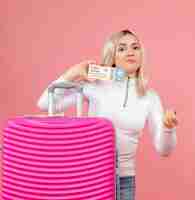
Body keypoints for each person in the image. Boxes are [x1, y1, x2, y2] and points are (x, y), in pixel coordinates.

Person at [37, 29, 178, 200]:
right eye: (122, 48)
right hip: (90, 178)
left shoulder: (150, 97)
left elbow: (163, 150)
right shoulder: (95, 85)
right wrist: (71, 73)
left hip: (124, 181)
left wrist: (168, 127)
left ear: (141, 55)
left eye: (135, 47)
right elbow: (44, 104)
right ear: (112, 56)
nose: (130, 52)